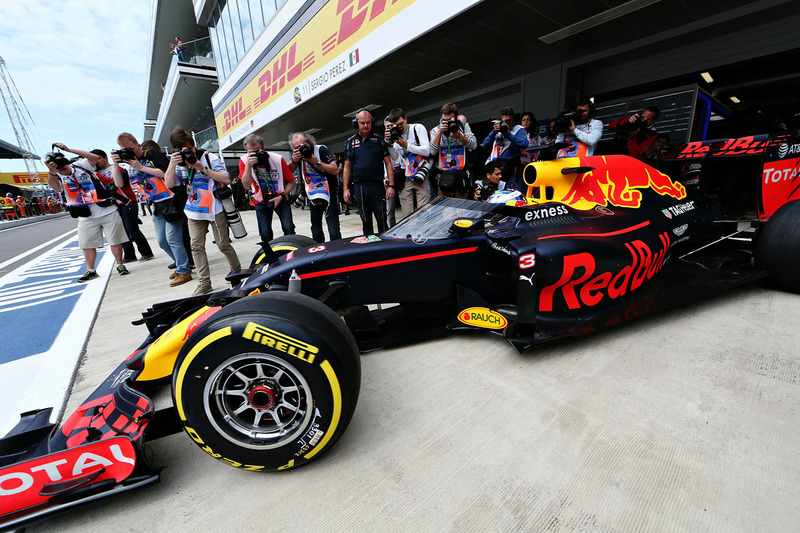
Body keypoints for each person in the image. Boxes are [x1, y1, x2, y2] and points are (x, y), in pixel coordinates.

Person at [166, 126, 241, 296]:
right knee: (196, 246)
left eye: (188, 149)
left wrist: (202, 168)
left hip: (215, 209)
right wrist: (172, 164)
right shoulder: (179, 163)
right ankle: (204, 282)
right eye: (181, 150)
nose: (186, 153)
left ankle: (236, 272)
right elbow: (170, 184)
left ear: (192, 145)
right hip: (193, 210)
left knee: (223, 244)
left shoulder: (209, 157)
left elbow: (227, 179)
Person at [112, 132, 192, 287]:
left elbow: (166, 174)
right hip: (156, 204)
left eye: (130, 148)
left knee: (173, 239)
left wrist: (141, 167)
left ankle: (184, 270)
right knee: (162, 241)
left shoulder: (152, 155)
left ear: (138, 145)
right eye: (124, 150)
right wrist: (116, 163)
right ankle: (181, 264)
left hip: (171, 201)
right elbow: (119, 184)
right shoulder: (128, 166)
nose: (129, 152)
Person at [45, 143, 129, 281]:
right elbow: (55, 188)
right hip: (84, 214)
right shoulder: (56, 176)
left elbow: (94, 157)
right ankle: (91, 270)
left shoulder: (81, 165)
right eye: (60, 170)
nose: (64, 171)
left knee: (115, 240)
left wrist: (68, 149)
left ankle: (120, 265)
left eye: (64, 167)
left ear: (67, 163)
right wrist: (52, 172)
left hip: (106, 209)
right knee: (87, 244)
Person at [92, 149, 154, 263]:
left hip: (127, 202)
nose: (97, 162)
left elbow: (117, 183)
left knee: (132, 229)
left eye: (98, 158)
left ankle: (146, 252)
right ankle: (129, 255)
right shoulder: (93, 174)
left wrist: (100, 175)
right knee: (121, 231)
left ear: (106, 157)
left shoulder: (119, 169)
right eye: (94, 159)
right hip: (112, 206)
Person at [343, 109, 396, 235]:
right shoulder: (350, 142)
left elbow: (389, 163)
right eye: (362, 123)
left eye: (368, 122)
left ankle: (385, 247)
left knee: (382, 219)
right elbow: (347, 167)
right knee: (366, 221)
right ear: (357, 124)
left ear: (372, 122)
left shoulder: (379, 140)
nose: (365, 125)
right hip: (360, 187)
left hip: (377, 186)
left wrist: (391, 186)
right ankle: (370, 248)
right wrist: (345, 189)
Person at [239, 133, 296, 244]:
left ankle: (292, 252)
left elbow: (292, 181)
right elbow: (246, 185)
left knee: (288, 228)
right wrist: (248, 167)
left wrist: (282, 195)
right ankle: (270, 257)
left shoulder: (277, 159)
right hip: (260, 200)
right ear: (246, 151)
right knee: (265, 233)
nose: (255, 155)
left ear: (263, 149)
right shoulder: (244, 161)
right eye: (251, 152)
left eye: (258, 151)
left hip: (281, 197)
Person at [288, 131, 341, 242]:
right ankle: (318, 250)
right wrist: (294, 160)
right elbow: (287, 173)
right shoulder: (299, 156)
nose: (300, 149)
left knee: (333, 226)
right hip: (313, 193)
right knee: (315, 226)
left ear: (308, 142)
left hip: (328, 191)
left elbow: (335, 170)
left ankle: (337, 250)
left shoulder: (320, 150)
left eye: (302, 146)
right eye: (296, 148)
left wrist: (316, 162)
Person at [384, 108, 431, 218]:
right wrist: (389, 144)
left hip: (420, 173)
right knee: (407, 214)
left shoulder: (417, 128)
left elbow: (426, 150)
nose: (400, 127)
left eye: (401, 123)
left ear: (406, 119)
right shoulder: (395, 134)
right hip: (405, 175)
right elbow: (395, 158)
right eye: (396, 125)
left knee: (423, 211)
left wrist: (407, 146)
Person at [429, 102, 477, 199]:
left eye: (449, 120)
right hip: (445, 175)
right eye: (444, 120)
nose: (447, 123)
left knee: (462, 209)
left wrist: (459, 137)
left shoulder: (463, 126)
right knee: (446, 210)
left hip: (461, 174)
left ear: (455, 118)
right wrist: (440, 132)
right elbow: (432, 151)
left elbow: (474, 145)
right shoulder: (436, 130)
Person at [482, 106, 527, 190]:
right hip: (496, 167)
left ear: (513, 119)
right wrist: (493, 132)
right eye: (504, 120)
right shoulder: (498, 129)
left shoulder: (518, 129)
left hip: (511, 167)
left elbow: (524, 144)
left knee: (511, 192)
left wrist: (508, 134)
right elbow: (485, 144)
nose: (506, 122)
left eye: (508, 120)